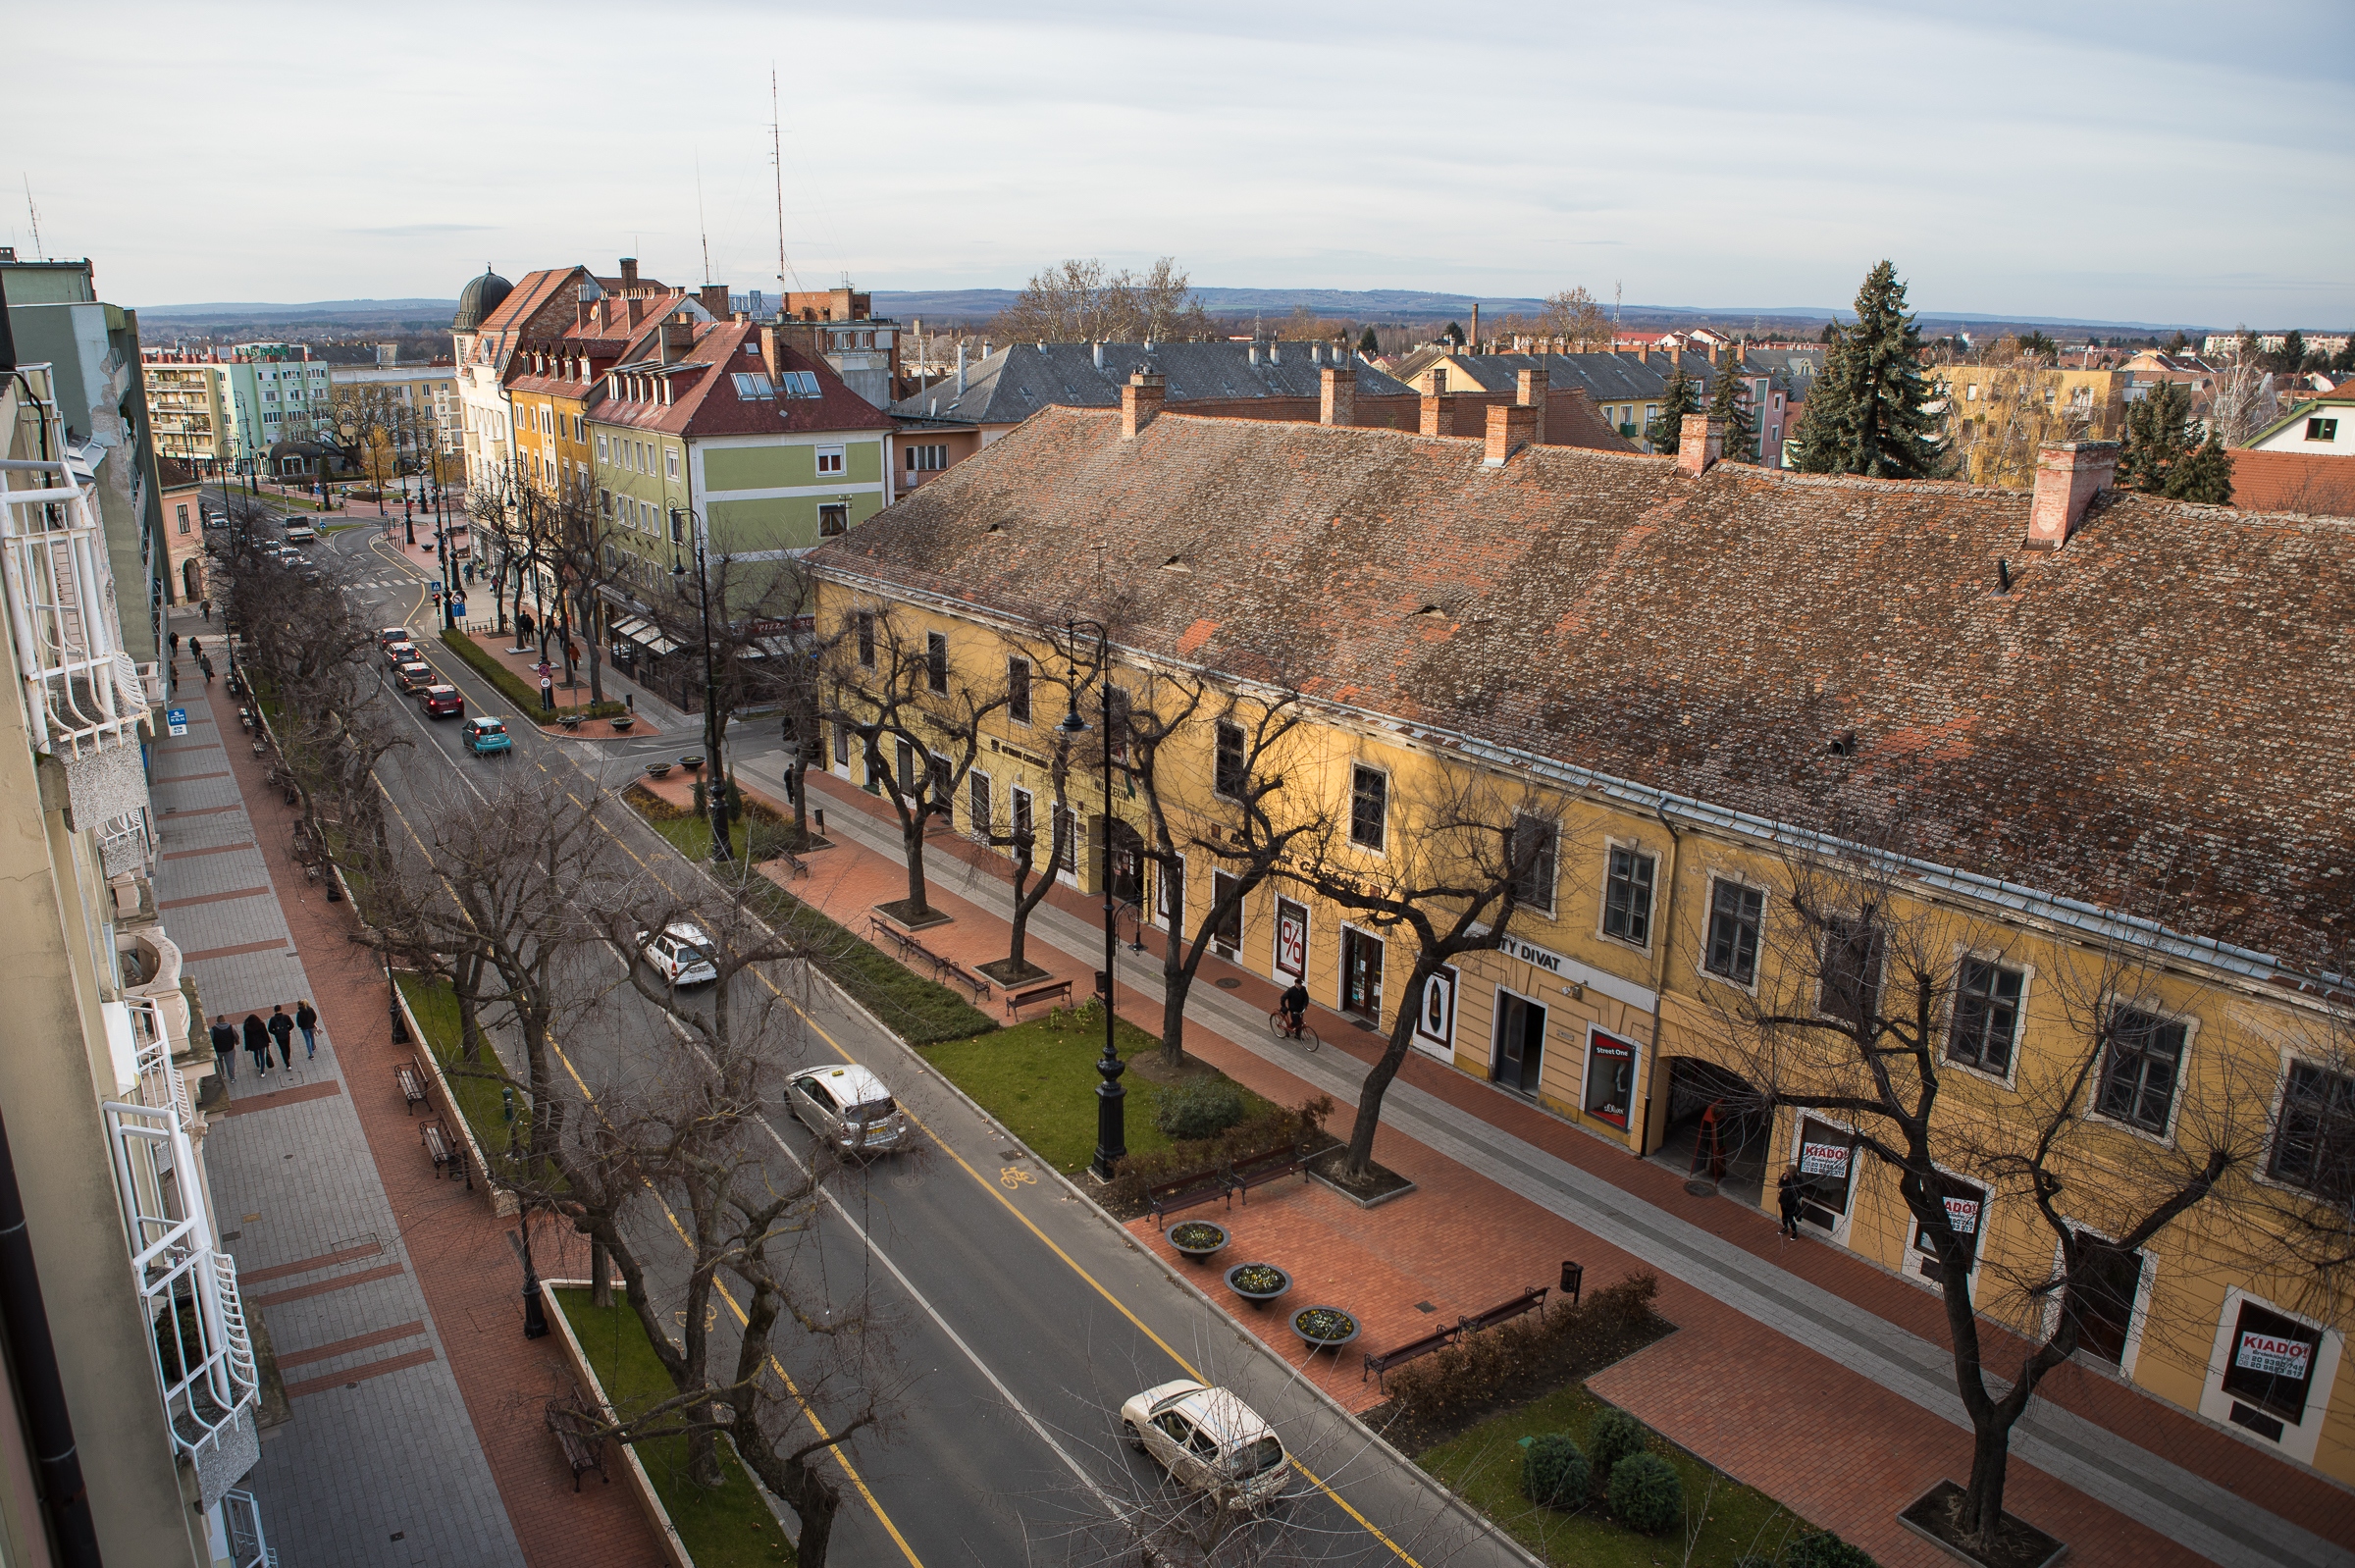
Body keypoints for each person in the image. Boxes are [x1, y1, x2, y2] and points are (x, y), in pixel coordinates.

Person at [1777, 1165, 1804, 1239]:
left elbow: (1800, 1192)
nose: (1785, 1173)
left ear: (1791, 1173)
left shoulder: (1798, 1180)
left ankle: (1794, 1232)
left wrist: (1794, 1199)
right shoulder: (1785, 1176)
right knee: (1784, 1214)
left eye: (1787, 1171)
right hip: (1783, 1199)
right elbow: (1779, 1185)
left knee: (1790, 1217)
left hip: (1791, 1202)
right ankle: (1785, 1227)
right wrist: (1783, 1180)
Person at [241, 1013, 271, 1077]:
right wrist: (267, 1041)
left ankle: (258, 1065)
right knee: (262, 1056)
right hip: (262, 1043)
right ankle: (262, 1072)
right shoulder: (261, 1024)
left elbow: (247, 1037)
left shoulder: (247, 1027)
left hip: (253, 1043)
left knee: (256, 1054)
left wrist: (247, 1046)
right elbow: (265, 1034)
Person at [267, 1005, 295, 1071]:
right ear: (281, 1009)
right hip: (286, 1035)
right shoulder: (286, 1017)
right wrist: (287, 1030)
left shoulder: (272, 1019)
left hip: (279, 1037)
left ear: (274, 1011)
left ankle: (287, 1064)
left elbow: (270, 1029)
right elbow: (292, 1025)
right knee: (287, 1047)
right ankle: (288, 1057)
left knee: (283, 1049)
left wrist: (275, 1033)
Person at [209, 1015, 237, 1081]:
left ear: (217, 1021)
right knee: (230, 1063)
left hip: (218, 1050)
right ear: (224, 1020)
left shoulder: (213, 1029)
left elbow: (211, 1040)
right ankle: (232, 1078)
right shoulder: (230, 1027)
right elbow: (235, 1035)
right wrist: (236, 1041)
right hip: (230, 1048)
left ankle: (222, 1076)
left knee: (219, 1062)